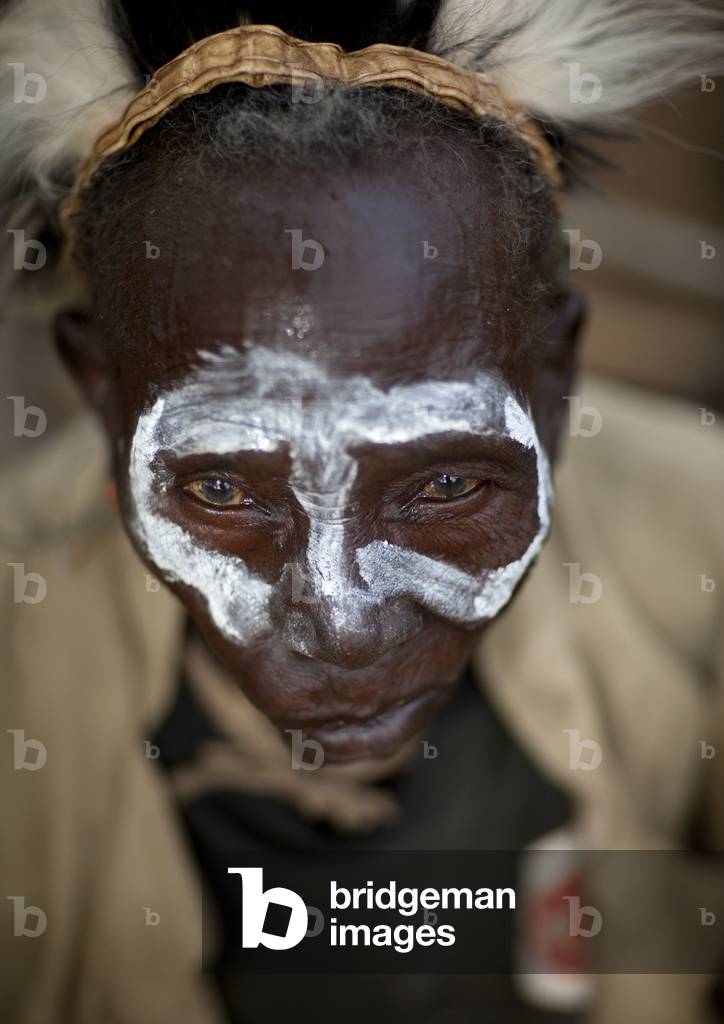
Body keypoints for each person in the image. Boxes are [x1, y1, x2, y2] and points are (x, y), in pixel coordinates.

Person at [1, 3, 723, 1023]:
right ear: (98, 395)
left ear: (555, 382)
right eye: (221, 489)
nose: (336, 623)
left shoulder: (702, 536)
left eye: (441, 486)